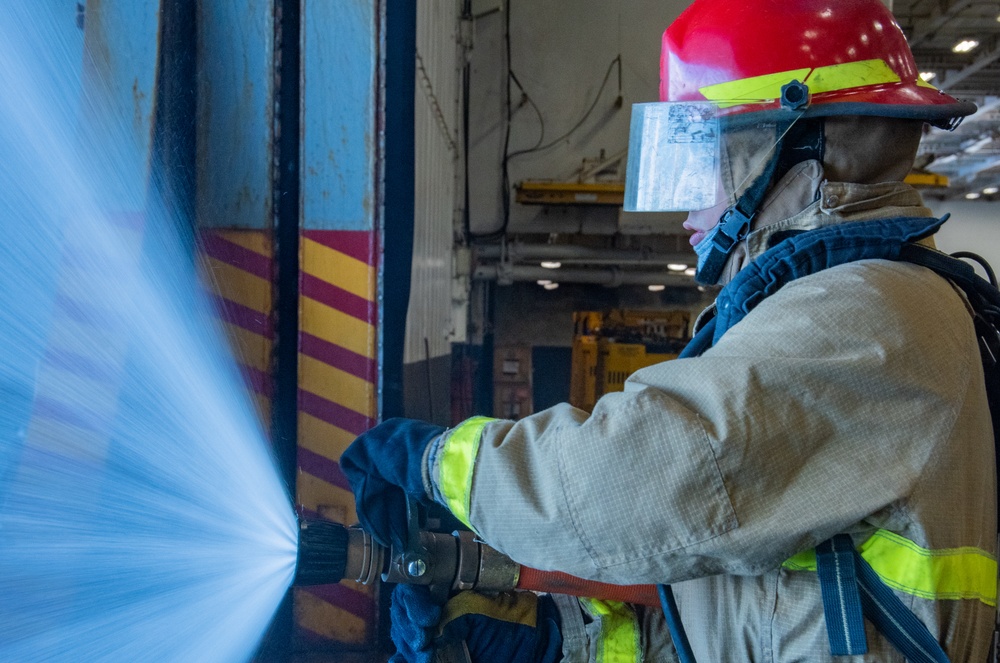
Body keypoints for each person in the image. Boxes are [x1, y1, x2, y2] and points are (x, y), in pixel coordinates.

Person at [342, 0, 998, 660]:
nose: (686, 201)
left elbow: (637, 482)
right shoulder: (865, 298)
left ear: (788, 147)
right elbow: (755, 610)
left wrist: (441, 464)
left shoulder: (865, 312)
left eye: (701, 155)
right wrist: (562, 640)